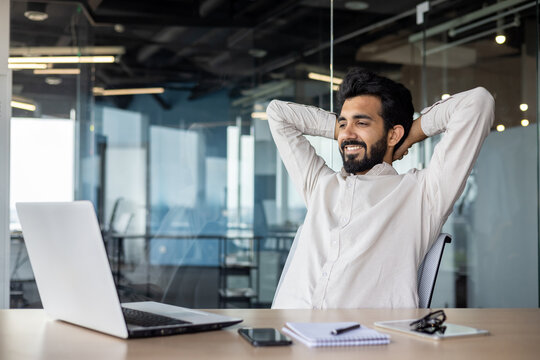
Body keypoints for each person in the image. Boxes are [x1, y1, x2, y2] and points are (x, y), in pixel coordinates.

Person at [266, 69, 494, 309]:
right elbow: (278, 114)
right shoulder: (321, 185)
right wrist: (348, 131)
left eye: (362, 122)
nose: (347, 133)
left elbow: (478, 102)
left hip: (361, 339)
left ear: (393, 133)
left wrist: (410, 134)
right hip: (282, 333)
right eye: (343, 123)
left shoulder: (422, 195)